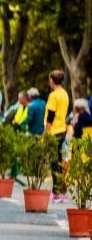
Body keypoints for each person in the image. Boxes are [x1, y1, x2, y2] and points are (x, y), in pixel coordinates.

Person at [45, 70, 70, 203]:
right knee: (59, 161)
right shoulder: (65, 94)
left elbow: (50, 116)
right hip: (62, 129)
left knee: (54, 163)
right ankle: (62, 192)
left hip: (54, 131)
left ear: (52, 81)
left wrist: (46, 133)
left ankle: (57, 192)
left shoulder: (53, 95)